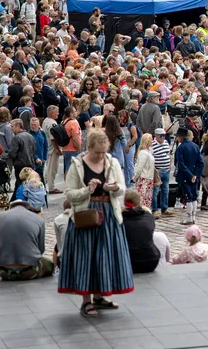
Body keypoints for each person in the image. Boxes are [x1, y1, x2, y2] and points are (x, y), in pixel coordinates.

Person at [59, 130, 134, 317]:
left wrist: (114, 187)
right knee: (86, 257)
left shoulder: (112, 162)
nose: (100, 155)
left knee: (105, 256)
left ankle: (100, 295)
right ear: (89, 148)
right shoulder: (77, 165)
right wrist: (87, 190)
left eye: (103, 152)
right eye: (97, 152)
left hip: (108, 215)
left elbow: (122, 189)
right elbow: (69, 194)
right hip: (85, 215)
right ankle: (86, 300)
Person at [0, 199, 54, 281]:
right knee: (49, 264)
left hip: (4, 271)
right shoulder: (39, 219)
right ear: (27, 207)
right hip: (30, 270)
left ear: (10, 207)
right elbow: (41, 249)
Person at [121, 189, 165, 273]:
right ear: (140, 202)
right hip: (151, 260)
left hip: (128, 262)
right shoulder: (149, 217)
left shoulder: (120, 219)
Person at [174, 129, 203, 225]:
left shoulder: (180, 148)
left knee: (188, 197)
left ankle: (189, 217)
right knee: (194, 196)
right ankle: (193, 217)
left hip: (185, 176)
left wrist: (190, 175)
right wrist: (195, 175)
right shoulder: (195, 146)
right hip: (194, 175)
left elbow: (181, 165)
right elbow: (200, 163)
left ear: (180, 137)